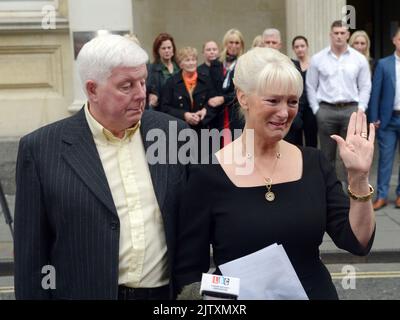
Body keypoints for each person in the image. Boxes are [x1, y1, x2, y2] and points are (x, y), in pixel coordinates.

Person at [174, 47, 376, 300]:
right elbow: (189, 274)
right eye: (273, 100)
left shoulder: (314, 163)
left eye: (292, 101)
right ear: (243, 97)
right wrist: (234, 296)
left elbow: (358, 241)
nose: (284, 113)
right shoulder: (206, 175)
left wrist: (358, 178)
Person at [14, 34, 189, 300]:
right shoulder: (42, 150)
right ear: (92, 89)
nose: (141, 94)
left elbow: (196, 223)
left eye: (143, 81)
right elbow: (31, 259)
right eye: (126, 86)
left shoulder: (173, 135)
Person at [307, 20, 371, 185]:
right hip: (326, 111)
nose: (339, 36)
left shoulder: (359, 59)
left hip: (350, 110)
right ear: (331, 35)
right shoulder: (318, 59)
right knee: (326, 154)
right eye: (336, 33)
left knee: (348, 154)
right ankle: (327, 190)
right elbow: (310, 86)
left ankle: (347, 192)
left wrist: (361, 109)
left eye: (342, 33)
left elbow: (365, 86)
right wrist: (316, 110)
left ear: (348, 35)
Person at [368, 27, 400, 210]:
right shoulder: (383, 64)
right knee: (385, 160)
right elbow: (375, 93)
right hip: (388, 120)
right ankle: (381, 196)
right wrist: (374, 118)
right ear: (394, 40)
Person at [161, 47, 216, 131]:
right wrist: (184, 115)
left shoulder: (206, 80)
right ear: (180, 64)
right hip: (180, 130)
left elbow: (213, 103)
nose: (191, 63)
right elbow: (164, 108)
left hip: (203, 129)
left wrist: (205, 111)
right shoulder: (171, 83)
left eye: (193, 60)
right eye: (187, 60)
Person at [208, 28, 245, 143]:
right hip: (217, 114)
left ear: (241, 45)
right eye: (231, 42)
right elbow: (211, 87)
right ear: (225, 44)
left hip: (236, 112)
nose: (234, 46)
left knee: (236, 150)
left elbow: (243, 90)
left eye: (237, 43)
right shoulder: (216, 64)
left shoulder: (244, 64)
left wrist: (223, 98)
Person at [291, 35, 318, 147]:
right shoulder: (291, 65)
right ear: (293, 49)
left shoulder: (315, 64)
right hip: (297, 106)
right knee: (296, 139)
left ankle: (311, 163)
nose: (300, 49)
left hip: (311, 107)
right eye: (297, 47)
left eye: (302, 46)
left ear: (307, 47)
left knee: (311, 139)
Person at [147, 33, 180, 109]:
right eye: (163, 48)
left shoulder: (179, 67)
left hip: (179, 111)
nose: (167, 51)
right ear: (157, 50)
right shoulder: (152, 69)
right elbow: (150, 90)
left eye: (169, 47)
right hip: (162, 110)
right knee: (171, 121)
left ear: (173, 49)